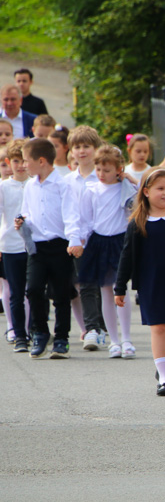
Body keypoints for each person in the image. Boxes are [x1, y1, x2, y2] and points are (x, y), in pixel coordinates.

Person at [115, 169, 165, 396]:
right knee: (159, 327)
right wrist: (119, 287)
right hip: (152, 284)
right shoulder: (138, 223)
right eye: (160, 189)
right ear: (146, 192)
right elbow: (127, 256)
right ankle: (163, 377)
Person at [16, 138, 74, 358]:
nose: (23, 165)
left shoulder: (63, 185)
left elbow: (71, 214)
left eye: (26, 161)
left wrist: (74, 240)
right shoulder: (30, 186)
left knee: (61, 293)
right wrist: (22, 222)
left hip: (59, 245)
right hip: (37, 247)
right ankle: (40, 333)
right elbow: (27, 212)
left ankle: (61, 338)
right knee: (33, 289)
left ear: (41, 161)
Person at [78, 146, 137, 359]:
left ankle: (127, 339)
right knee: (105, 290)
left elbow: (141, 201)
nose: (101, 174)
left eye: (107, 170)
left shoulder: (126, 188)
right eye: (99, 169)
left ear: (118, 170)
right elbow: (85, 219)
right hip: (99, 242)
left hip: (121, 240)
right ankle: (113, 340)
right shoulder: (91, 190)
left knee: (120, 291)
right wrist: (82, 242)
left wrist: (130, 179)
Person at [66, 125, 107, 348]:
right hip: (79, 238)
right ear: (71, 151)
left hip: (101, 237)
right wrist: (75, 238)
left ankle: (101, 324)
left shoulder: (102, 177)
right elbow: (69, 212)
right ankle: (92, 328)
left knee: (103, 284)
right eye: (77, 147)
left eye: (87, 147)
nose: (82, 151)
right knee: (86, 283)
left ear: (95, 148)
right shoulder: (68, 181)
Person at [0, 139, 30, 351]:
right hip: (10, 245)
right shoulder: (3, 187)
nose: (20, 166)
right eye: (16, 161)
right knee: (15, 292)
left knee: (34, 291)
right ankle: (19, 334)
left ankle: (35, 330)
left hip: (33, 246)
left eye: (24, 161)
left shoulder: (35, 183)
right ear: (9, 162)